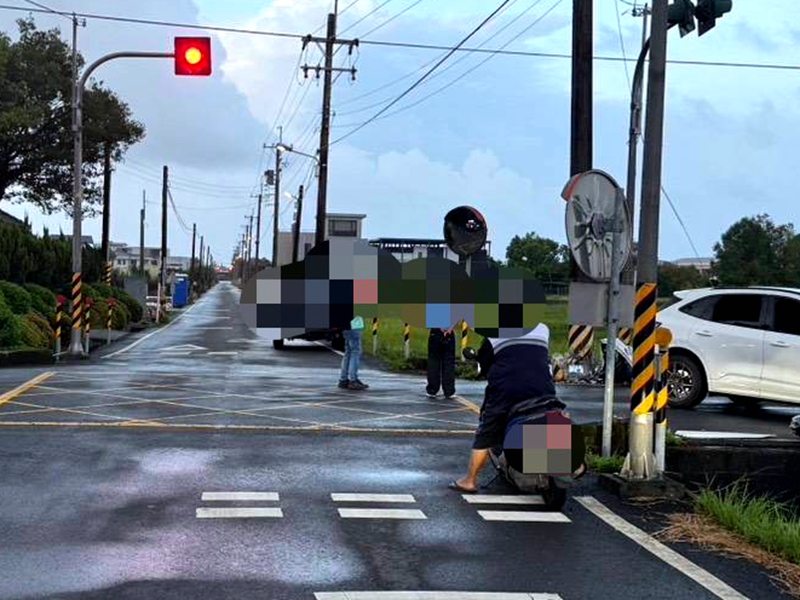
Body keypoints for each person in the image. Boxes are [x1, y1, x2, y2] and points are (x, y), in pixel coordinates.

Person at [449, 323, 556, 493]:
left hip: (507, 390)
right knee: (553, 414)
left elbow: (484, 363)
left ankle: (470, 480)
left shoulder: (494, 334)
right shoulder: (543, 329)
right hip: (543, 388)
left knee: (487, 429)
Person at [338, 318, 369, 391]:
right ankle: (353, 380)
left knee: (348, 352)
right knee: (355, 351)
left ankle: (343, 379)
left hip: (345, 325)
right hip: (354, 324)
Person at [426, 327, 456, 398]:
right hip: (449, 332)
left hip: (435, 331)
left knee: (434, 361)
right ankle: (449, 390)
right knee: (449, 362)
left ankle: (432, 389)